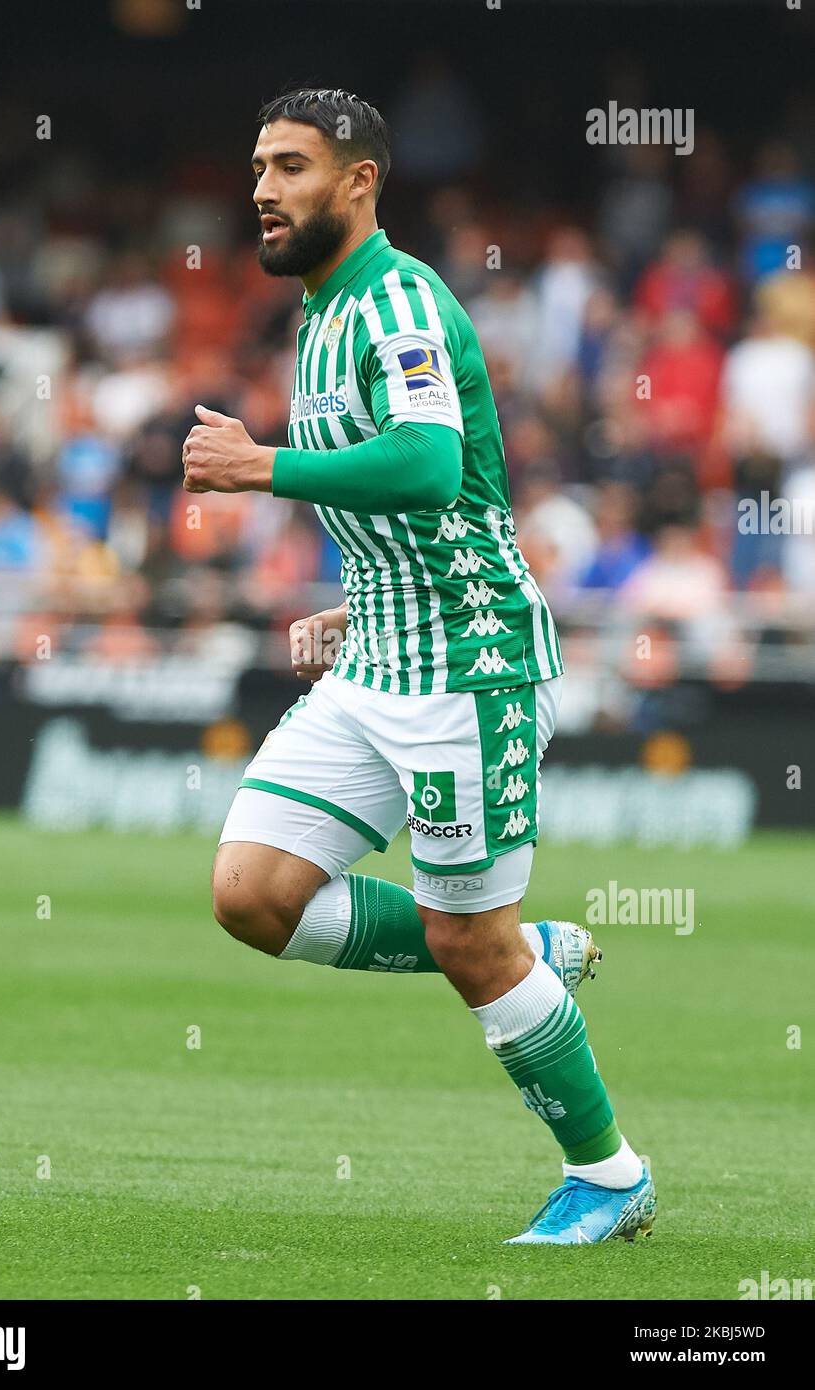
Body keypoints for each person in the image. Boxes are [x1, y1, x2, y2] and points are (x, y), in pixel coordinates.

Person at [181, 88, 655, 1245]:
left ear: (359, 181)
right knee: (251, 893)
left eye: (290, 166)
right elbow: (415, 504)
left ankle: (608, 1175)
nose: (261, 189)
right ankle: (520, 942)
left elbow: (431, 465)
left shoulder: (393, 298)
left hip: (469, 663)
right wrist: (360, 603)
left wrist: (262, 469)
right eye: (256, 166)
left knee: (461, 941)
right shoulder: (317, 314)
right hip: (384, 649)